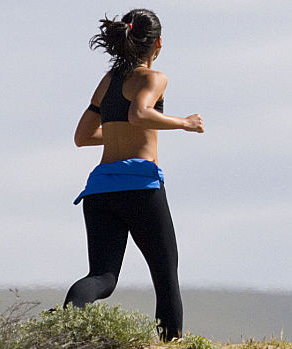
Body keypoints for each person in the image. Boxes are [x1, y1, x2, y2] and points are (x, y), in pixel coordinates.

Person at [60, 8, 204, 342]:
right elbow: (139, 113)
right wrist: (185, 123)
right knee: (165, 276)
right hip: (140, 187)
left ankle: (65, 326)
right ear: (158, 43)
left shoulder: (108, 81)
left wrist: (116, 136)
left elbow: (82, 137)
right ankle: (171, 343)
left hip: (99, 192)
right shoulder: (154, 78)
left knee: (102, 278)